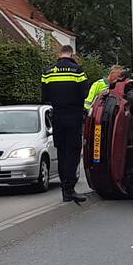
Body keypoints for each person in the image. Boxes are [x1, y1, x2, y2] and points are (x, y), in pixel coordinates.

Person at [41, 45, 89, 203]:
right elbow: (84, 93)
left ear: (58, 54)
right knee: (73, 152)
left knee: (61, 152)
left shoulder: (47, 72)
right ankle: (70, 188)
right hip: (73, 116)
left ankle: (65, 190)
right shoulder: (77, 70)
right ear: (72, 54)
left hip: (57, 117)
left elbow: (44, 96)